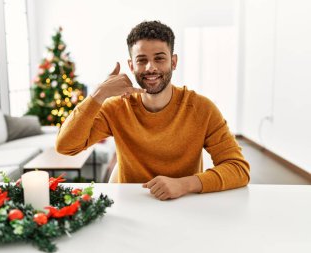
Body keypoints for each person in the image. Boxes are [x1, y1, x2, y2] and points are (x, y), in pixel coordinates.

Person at [56, 20, 250, 200]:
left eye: (159, 58)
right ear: (131, 66)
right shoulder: (116, 107)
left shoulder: (202, 109)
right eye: (141, 60)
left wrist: (184, 185)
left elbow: (238, 168)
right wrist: (98, 95)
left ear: (173, 62)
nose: (150, 67)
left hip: (184, 204)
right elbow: (66, 146)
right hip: (131, 205)